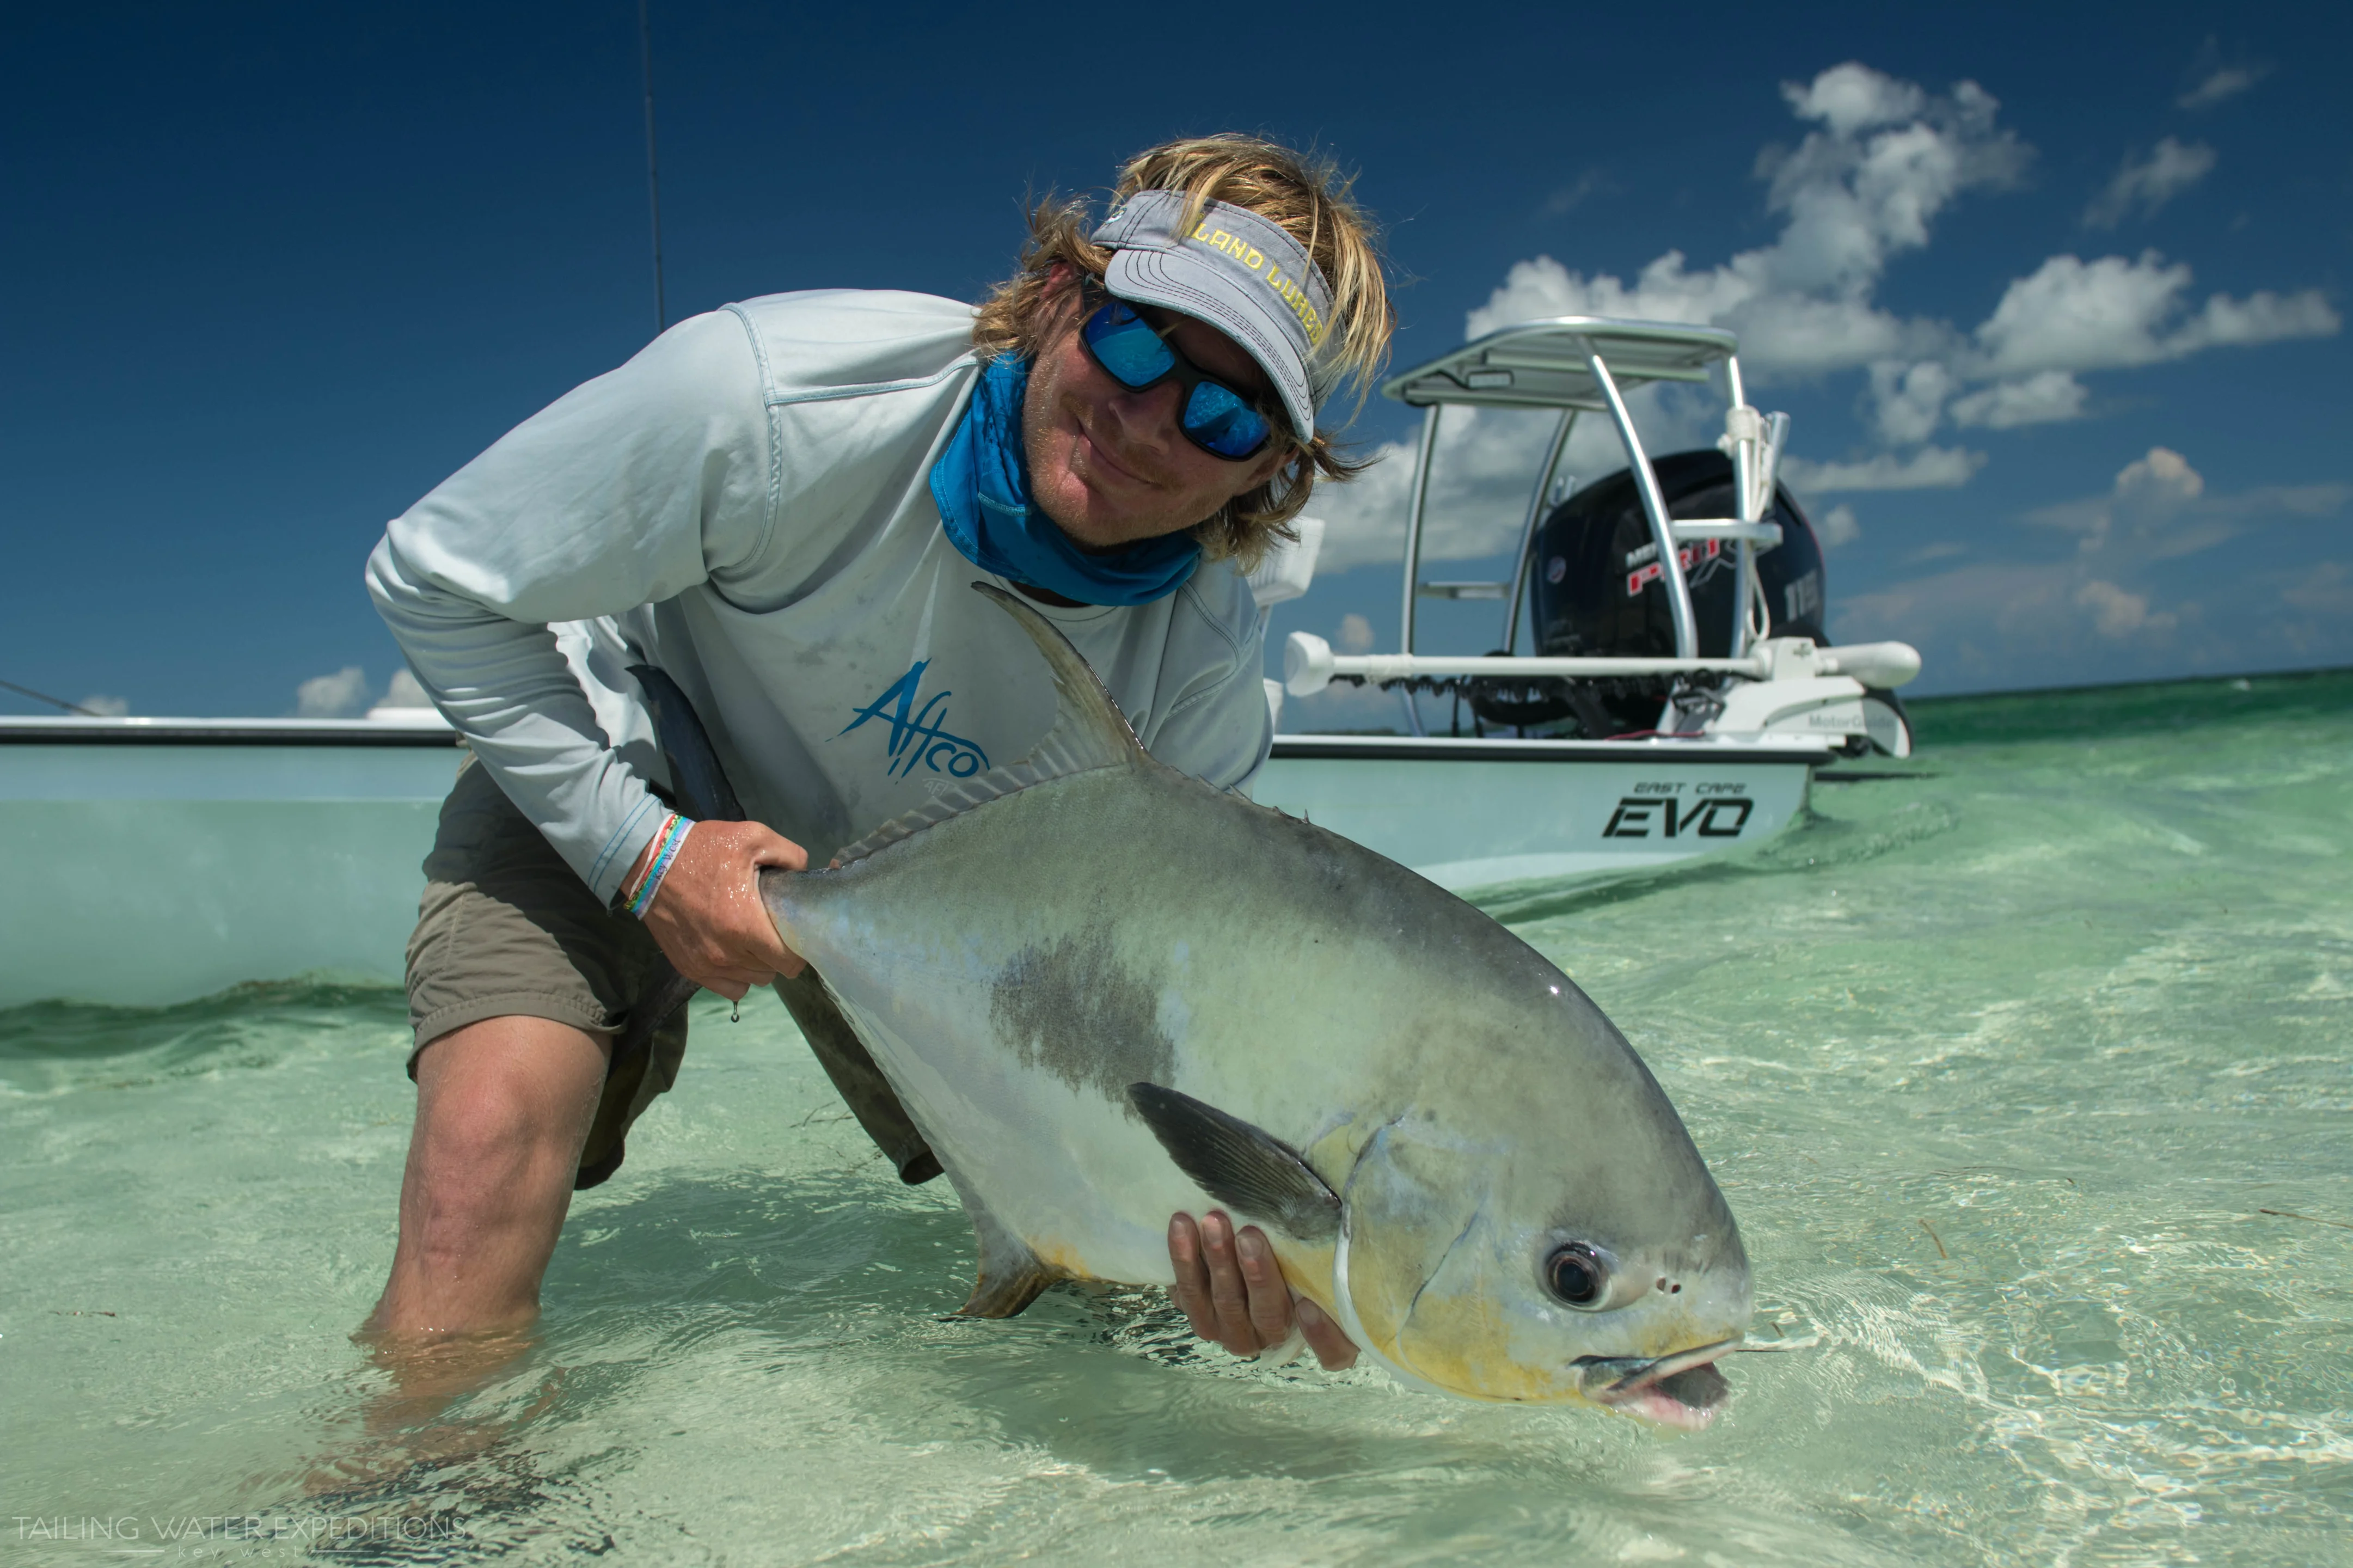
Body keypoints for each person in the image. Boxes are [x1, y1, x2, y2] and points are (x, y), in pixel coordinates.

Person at [361, 134, 1392, 1374]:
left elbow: (1163, 989)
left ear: (1271, 474)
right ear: (1060, 295)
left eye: (1224, 415)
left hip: (935, 897)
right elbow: (432, 578)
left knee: (1105, 1303)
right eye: (1132, 342)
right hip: (624, 755)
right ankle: (417, 1501)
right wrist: (644, 858)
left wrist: (1255, 1240)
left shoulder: (1209, 664)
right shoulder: (772, 396)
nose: (1147, 420)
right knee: (474, 1212)